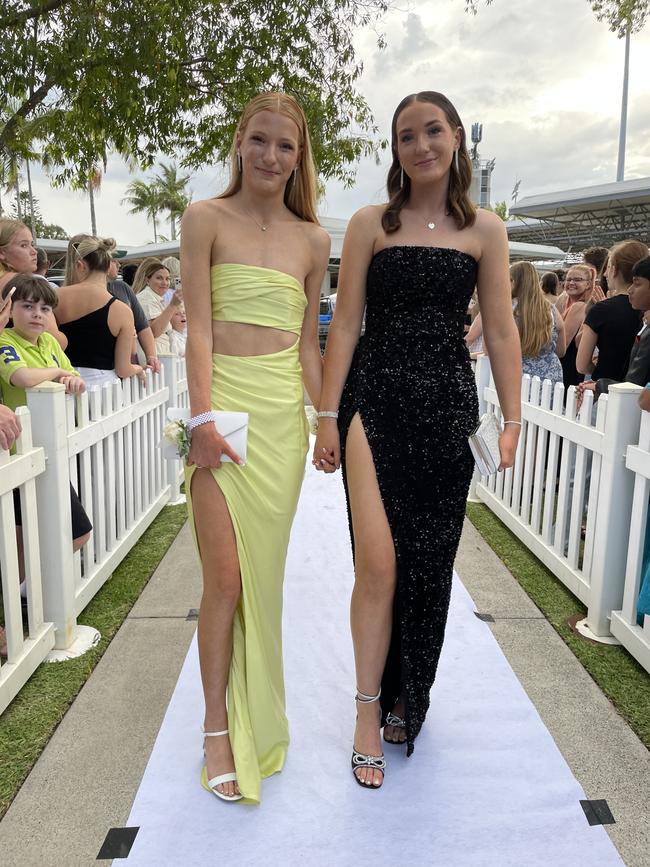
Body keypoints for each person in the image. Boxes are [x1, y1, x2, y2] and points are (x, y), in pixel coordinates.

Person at [313, 91, 522, 789]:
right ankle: (368, 709)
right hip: (375, 400)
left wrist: (514, 418)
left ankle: (409, 692)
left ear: (458, 137)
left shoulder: (486, 229)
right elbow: (344, 324)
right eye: (407, 135)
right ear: (396, 149)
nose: (421, 144)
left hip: (448, 413)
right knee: (377, 564)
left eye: (433, 130)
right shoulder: (372, 222)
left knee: (429, 567)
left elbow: (499, 329)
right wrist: (325, 414)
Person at [181, 91, 329, 803]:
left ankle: (258, 712)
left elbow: (307, 345)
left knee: (260, 581)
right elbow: (200, 331)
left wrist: (325, 415)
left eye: (287, 147)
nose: (272, 156)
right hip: (223, 414)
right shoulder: (204, 218)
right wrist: (202, 416)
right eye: (261, 140)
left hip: (279, 421)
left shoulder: (314, 239)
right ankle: (216, 725)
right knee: (223, 580)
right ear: (240, 141)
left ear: (300, 158)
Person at [0, 274, 92, 655]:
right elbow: (23, 377)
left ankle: (17, 599)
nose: (37, 314)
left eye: (43, 308)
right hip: (17, 458)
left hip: (47, 456)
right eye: (27, 306)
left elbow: (74, 376)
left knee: (76, 533)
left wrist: (67, 377)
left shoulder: (52, 343)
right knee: (17, 544)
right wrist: (58, 374)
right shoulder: (5, 342)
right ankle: (9, 613)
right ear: (9, 311)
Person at [56, 236, 146, 388]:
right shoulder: (122, 310)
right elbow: (123, 369)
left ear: (80, 265)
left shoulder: (57, 296)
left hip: (65, 382)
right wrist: (138, 368)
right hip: (103, 387)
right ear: (108, 267)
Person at [576, 240, 648, 384]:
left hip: (604, 388)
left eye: (607, 268)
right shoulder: (643, 311)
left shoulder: (601, 310)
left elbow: (582, 365)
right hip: (639, 390)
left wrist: (598, 367)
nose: (605, 274)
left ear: (614, 270)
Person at [0, 218, 67, 348]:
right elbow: (56, 342)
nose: (34, 251)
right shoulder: (25, 285)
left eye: (32, 244)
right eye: (24, 245)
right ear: (2, 253)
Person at [511, 261, 565, 385]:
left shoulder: (507, 308)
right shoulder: (551, 309)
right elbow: (561, 351)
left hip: (516, 373)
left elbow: (489, 349)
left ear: (513, 281)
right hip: (551, 375)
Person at [106, 254, 161, 373]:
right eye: (113, 260)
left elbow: (143, 326)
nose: (118, 264)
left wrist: (151, 356)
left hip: (130, 363)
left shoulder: (122, 288)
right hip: (109, 368)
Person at [556, 263, 594, 389]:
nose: (571, 283)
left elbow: (562, 345)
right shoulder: (565, 302)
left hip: (567, 368)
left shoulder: (579, 306)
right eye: (568, 279)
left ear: (588, 284)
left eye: (578, 280)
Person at [132, 259, 180, 354]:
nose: (164, 283)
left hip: (160, 353)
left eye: (167, 279)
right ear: (147, 280)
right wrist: (173, 305)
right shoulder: (146, 298)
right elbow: (153, 331)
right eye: (159, 278)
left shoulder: (154, 298)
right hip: (155, 355)